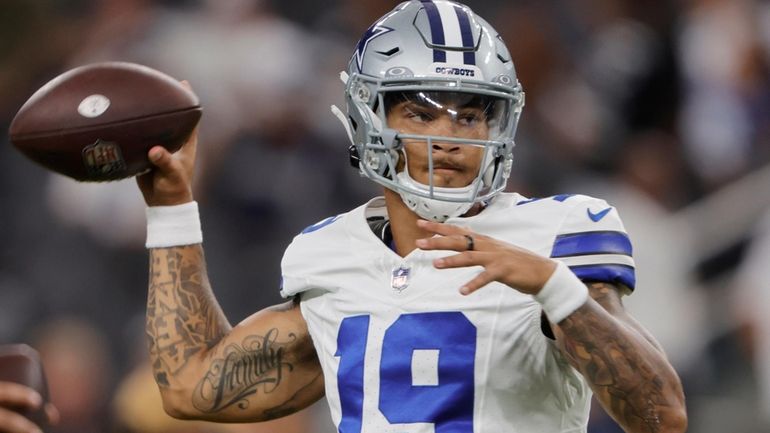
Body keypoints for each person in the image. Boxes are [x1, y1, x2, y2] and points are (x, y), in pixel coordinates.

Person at [137, 1, 687, 431]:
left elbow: (662, 419)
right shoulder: (332, 259)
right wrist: (171, 207)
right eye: (421, 112)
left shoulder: (556, 236)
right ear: (369, 118)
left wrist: (554, 288)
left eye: (470, 116)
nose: (446, 138)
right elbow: (191, 384)